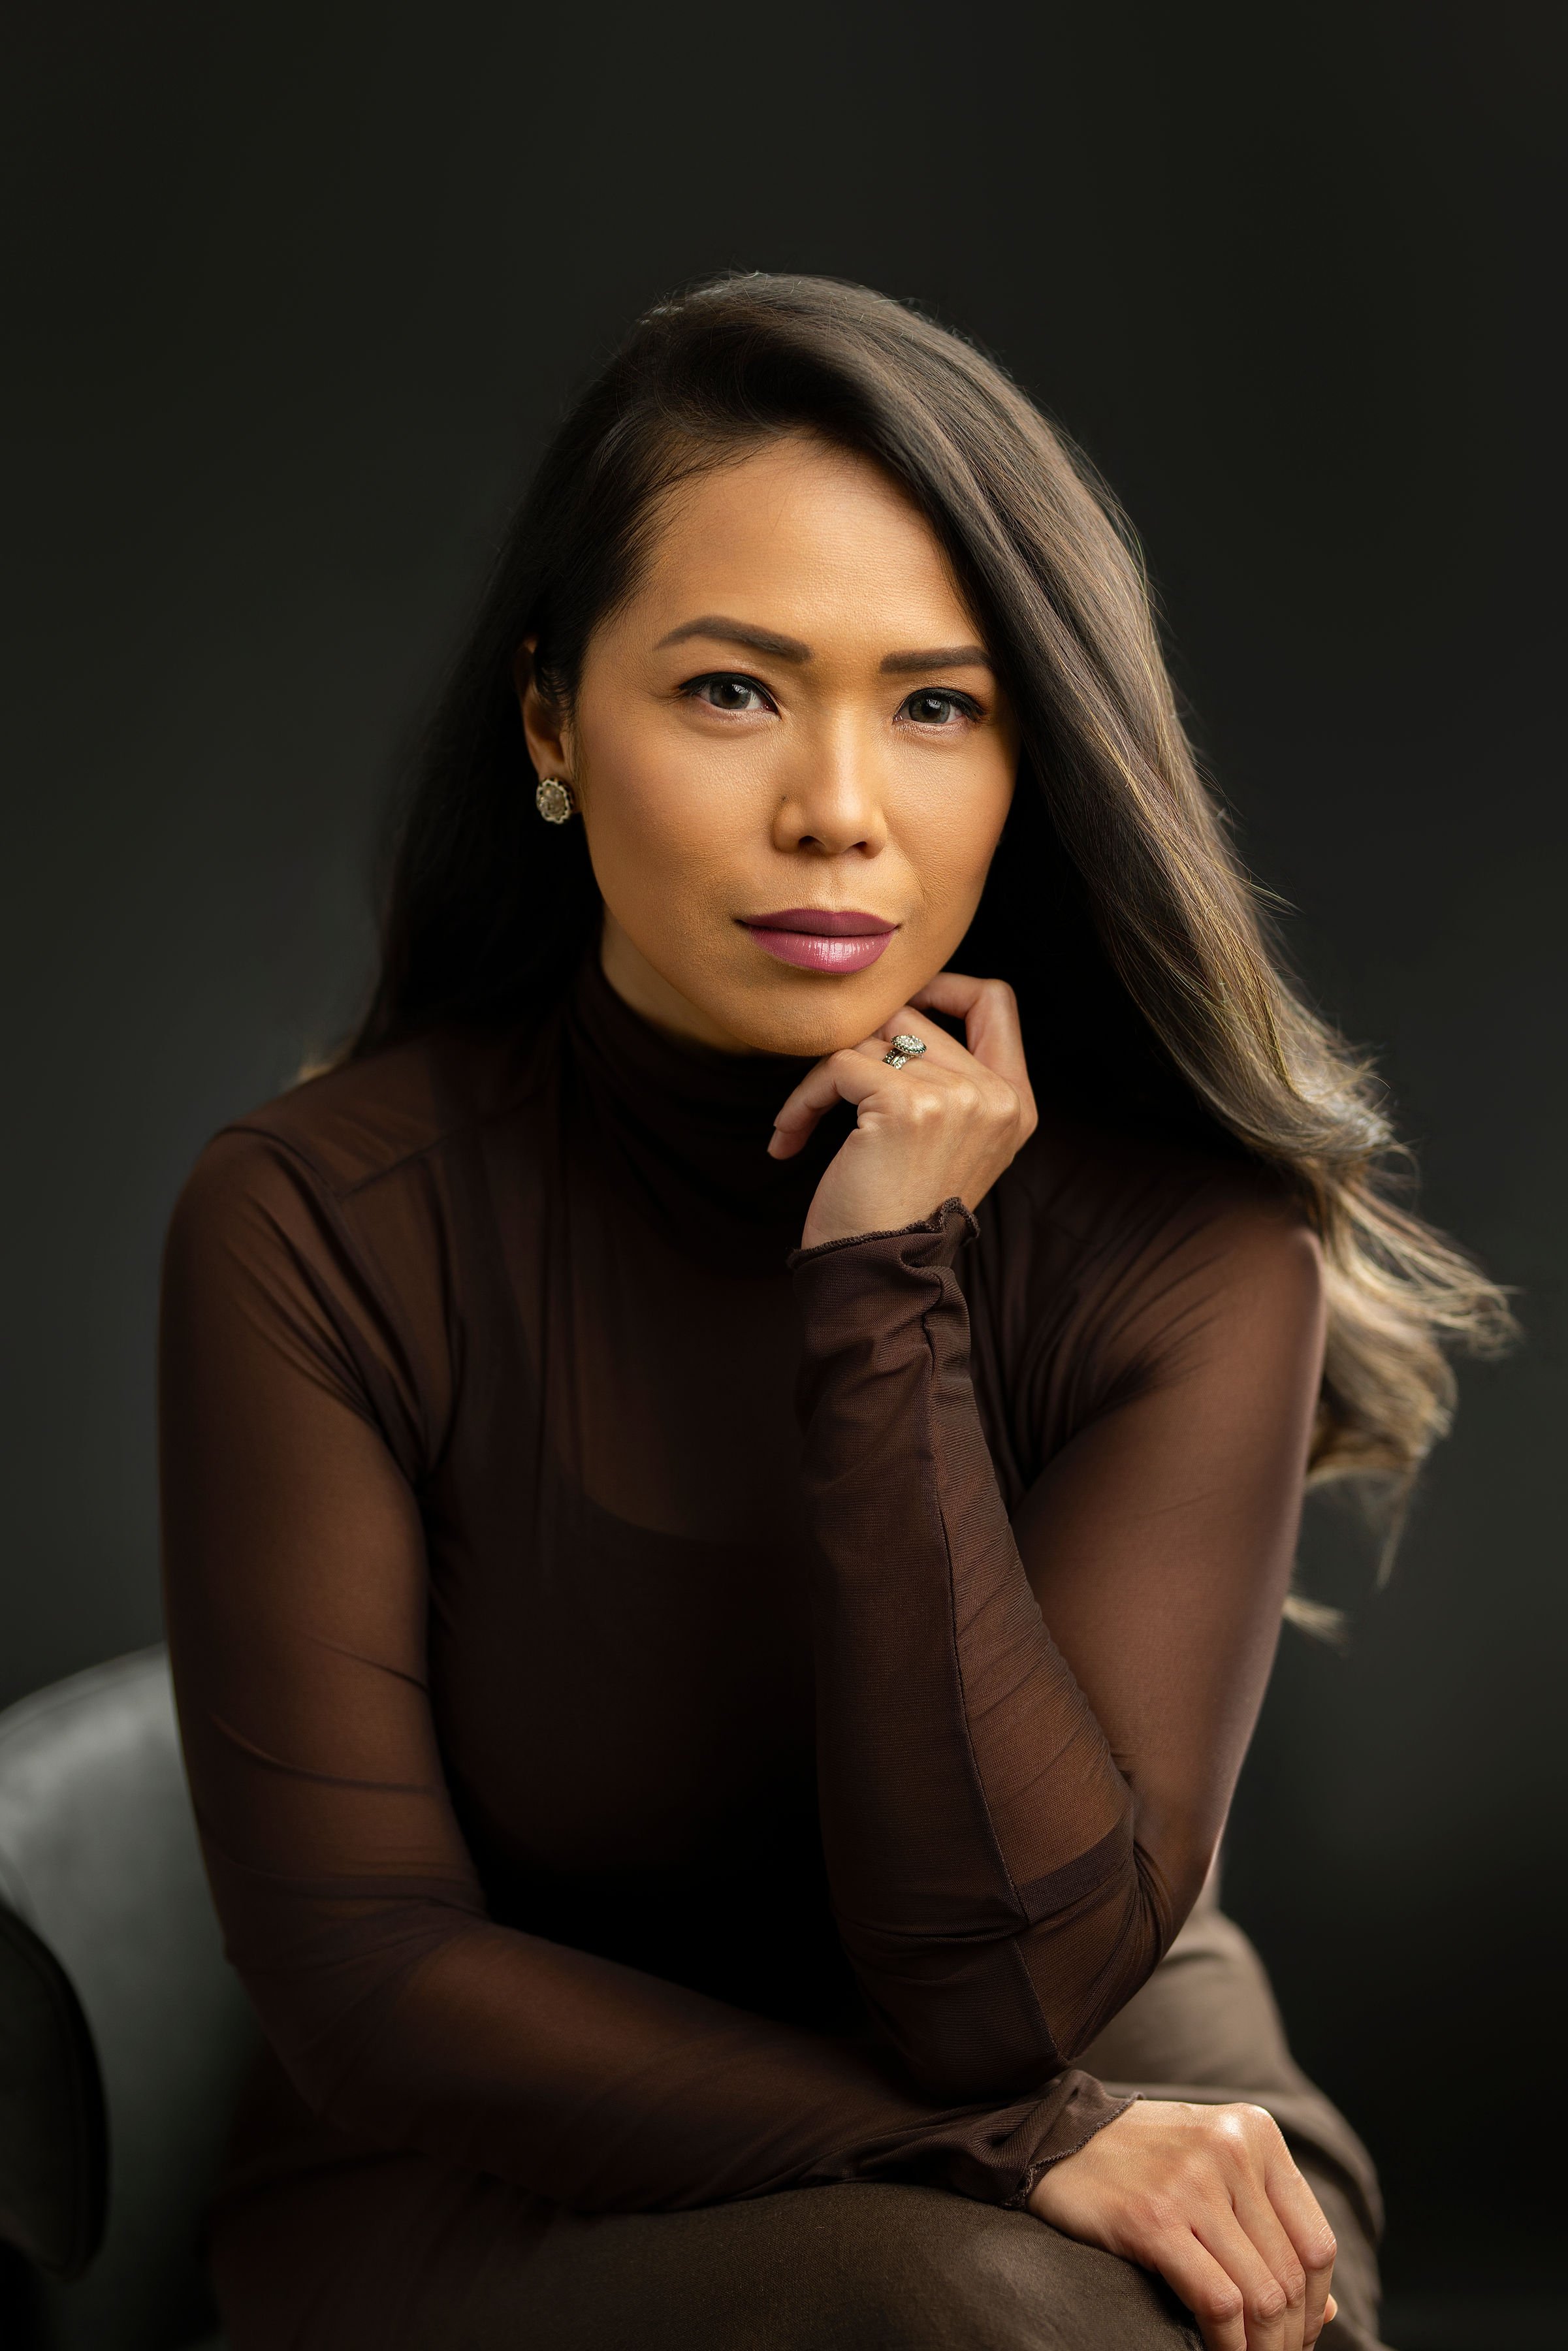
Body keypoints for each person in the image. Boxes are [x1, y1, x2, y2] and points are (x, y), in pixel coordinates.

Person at [157, 273, 1512, 2351]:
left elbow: (1006, 1996)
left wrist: (882, 1296)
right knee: (993, 2322)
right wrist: (1007, 2148)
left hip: (1109, 2055)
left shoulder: (1188, 1245)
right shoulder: (319, 1221)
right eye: (729, 692)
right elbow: (373, 1983)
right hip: (501, 2150)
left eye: (937, 705)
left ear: (1026, 760)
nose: (837, 809)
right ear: (548, 719)